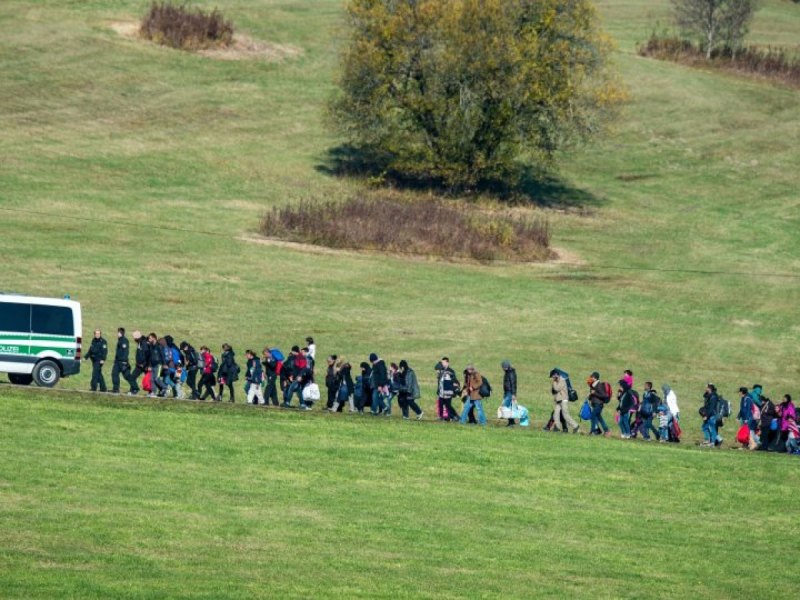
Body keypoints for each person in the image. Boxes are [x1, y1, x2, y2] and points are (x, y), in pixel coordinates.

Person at [550, 369, 579, 433]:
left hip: (563, 400)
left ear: (556, 375)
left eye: (552, 376)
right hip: (558, 400)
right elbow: (554, 391)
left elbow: (557, 389)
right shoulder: (557, 381)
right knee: (555, 414)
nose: (552, 378)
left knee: (565, 415)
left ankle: (576, 426)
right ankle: (557, 427)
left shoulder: (562, 380)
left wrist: (554, 382)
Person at [436, 357, 460, 422]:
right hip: (441, 391)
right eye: (442, 362)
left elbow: (454, 381)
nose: (442, 363)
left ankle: (455, 416)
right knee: (440, 405)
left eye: (443, 362)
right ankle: (441, 417)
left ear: (447, 362)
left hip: (448, 392)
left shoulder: (451, 371)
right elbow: (440, 381)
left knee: (448, 406)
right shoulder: (441, 370)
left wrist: (455, 390)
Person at [587, 371, 611, 437]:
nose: (590, 378)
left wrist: (594, 393)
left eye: (591, 377)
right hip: (595, 404)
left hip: (598, 404)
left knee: (592, 416)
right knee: (599, 418)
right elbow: (594, 394)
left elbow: (604, 395)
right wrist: (590, 396)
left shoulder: (599, 385)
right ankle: (607, 431)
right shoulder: (593, 385)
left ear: (595, 378)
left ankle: (593, 431)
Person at [110, 327, 132, 394]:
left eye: (118, 332)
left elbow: (125, 351)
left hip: (122, 362)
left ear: (120, 333)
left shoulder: (124, 341)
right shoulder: (120, 340)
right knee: (114, 374)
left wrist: (124, 361)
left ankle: (134, 387)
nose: (117, 334)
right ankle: (116, 388)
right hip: (117, 361)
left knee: (127, 376)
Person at [128, 330, 148, 395]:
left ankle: (135, 389)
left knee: (149, 379)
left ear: (137, 337)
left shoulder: (144, 343)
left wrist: (144, 364)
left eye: (134, 338)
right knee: (132, 377)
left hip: (143, 365)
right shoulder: (140, 343)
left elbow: (146, 354)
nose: (134, 339)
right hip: (139, 365)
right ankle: (133, 390)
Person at [700, 383, 720, 447]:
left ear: (710, 388)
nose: (705, 388)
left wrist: (706, 416)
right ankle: (707, 440)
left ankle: (713, 442)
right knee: (705, 427)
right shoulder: (709, 395)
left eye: (706, 387)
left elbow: (711, 408)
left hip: (712, 415)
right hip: (708, 414)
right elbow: (705, 397)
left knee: (712, 428)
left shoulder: (713, 397)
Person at [147, 333, 166, 397]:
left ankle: (165, 388)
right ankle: (153, 392)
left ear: (154, 338)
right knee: (151, 379)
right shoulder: (151, 346)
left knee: (156, 379)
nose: (149, 339)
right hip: (152, 365)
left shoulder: (159, 346)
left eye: (150, 338)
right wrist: (149, 365)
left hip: (159, 365)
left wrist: (164, 364)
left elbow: (162, 355)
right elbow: (150, 357)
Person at [502, 360, 518, 427]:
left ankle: (510, 421)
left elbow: (513, 384)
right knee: (509, 407)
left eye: (505, 367)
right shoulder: (508, 372)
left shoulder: (510, 373)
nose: (504, 368)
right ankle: (511, 422)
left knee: (505, 406)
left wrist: (513, 394)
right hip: (507, 392)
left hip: (510, 392)